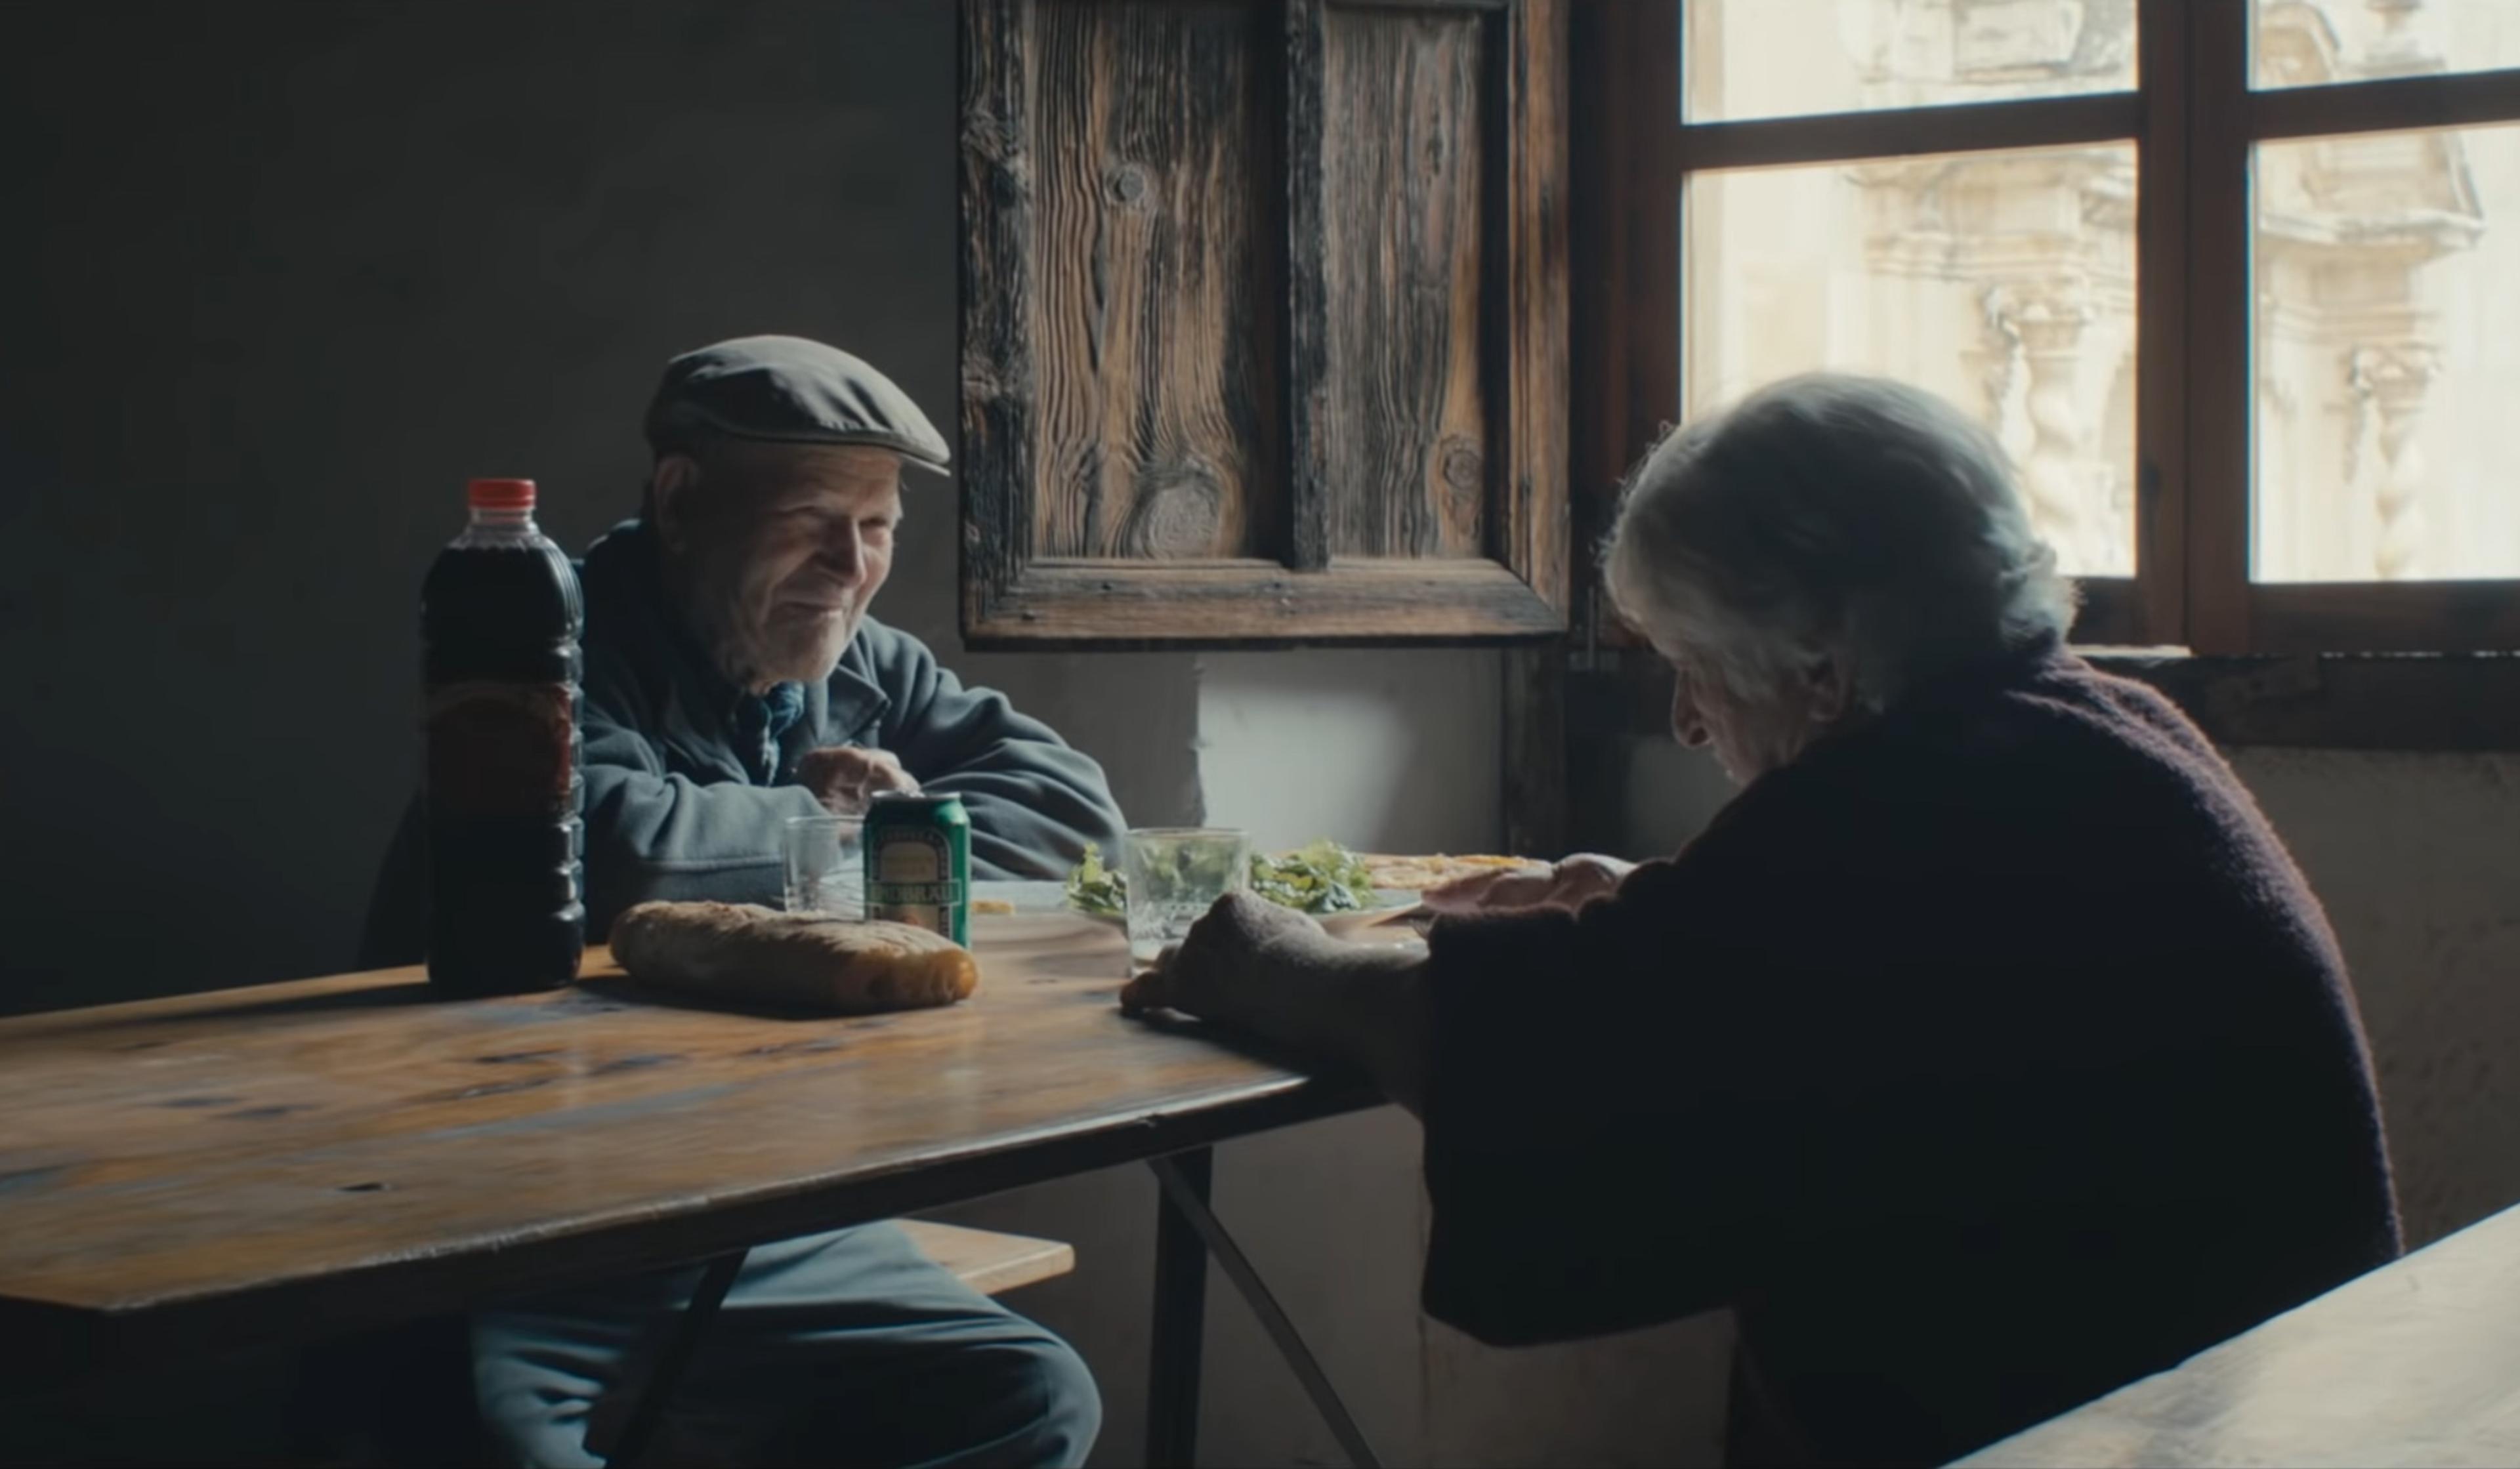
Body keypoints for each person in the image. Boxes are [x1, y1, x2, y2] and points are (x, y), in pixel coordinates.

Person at [1123, 373, 2402, 1467]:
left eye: (1691, 665)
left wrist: (1265, 954)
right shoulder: (2076, 731)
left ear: (1824, 671)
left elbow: (1547, 1048)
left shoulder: (1900, 808)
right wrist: (1632, 897)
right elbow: (1828, 983)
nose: (1684, 720)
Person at [356, 335, 1116, 1468]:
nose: (849, 564)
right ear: (679, 501)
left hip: (765, 1206)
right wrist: (861, 838)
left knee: (1031, 1399)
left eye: (879, 529)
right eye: (811, 518)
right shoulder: (546, 637)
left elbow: (1071, 813)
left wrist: (853, 847)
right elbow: (612, 849)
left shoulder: (863, 668)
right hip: (514, 1211)